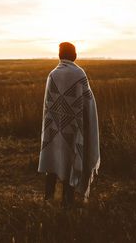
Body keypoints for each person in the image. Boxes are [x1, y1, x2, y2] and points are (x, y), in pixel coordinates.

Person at [38, 42, 100, 208]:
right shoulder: (79, 74)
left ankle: (48, 198)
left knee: (52, 165)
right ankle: (67, 201)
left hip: (53, 130)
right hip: (72, 129)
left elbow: (48, 107)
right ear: (74, 55)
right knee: (71, 160)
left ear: (60, 55)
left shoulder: (52, 75)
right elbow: (88, 102)